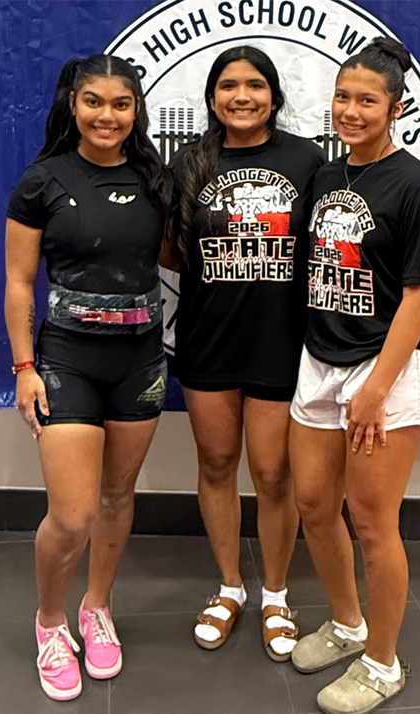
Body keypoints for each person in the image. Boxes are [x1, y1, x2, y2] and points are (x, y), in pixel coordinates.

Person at [5, 55, 173, 700]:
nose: (108, 115)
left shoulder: (154, 179)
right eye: (94, 102)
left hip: (140, 362)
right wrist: (25, 367)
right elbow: (19, 283)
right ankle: (51, 621)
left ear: (137, 112)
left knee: (117, 498)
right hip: (66, 361)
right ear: (73, 105)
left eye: (121, 104)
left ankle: (96, 607)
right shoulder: (41, 180)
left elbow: (176, 255)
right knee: (72, 515)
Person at [288, 39, 420, 714]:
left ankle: (384, 664)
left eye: (367, 101)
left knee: (374, 522)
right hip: (319, 361)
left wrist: (377, 388)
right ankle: (349, 624)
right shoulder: (329, 177)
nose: (351, 111)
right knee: (315, 507)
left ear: (396, 107)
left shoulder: (414, 185)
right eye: (343, 97)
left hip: (390, 369)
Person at [166, 46, 326, 662]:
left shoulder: (306, 160)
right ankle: (231, 586)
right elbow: (171, 251)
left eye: (255, 85)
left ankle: (277, 594)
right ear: (212, 98)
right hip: (207, 340)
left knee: (275, 473)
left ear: (275, 97)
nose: (242, 96)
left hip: (280, 344)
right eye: (228, 85)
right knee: (216, 464)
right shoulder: (189, 163)